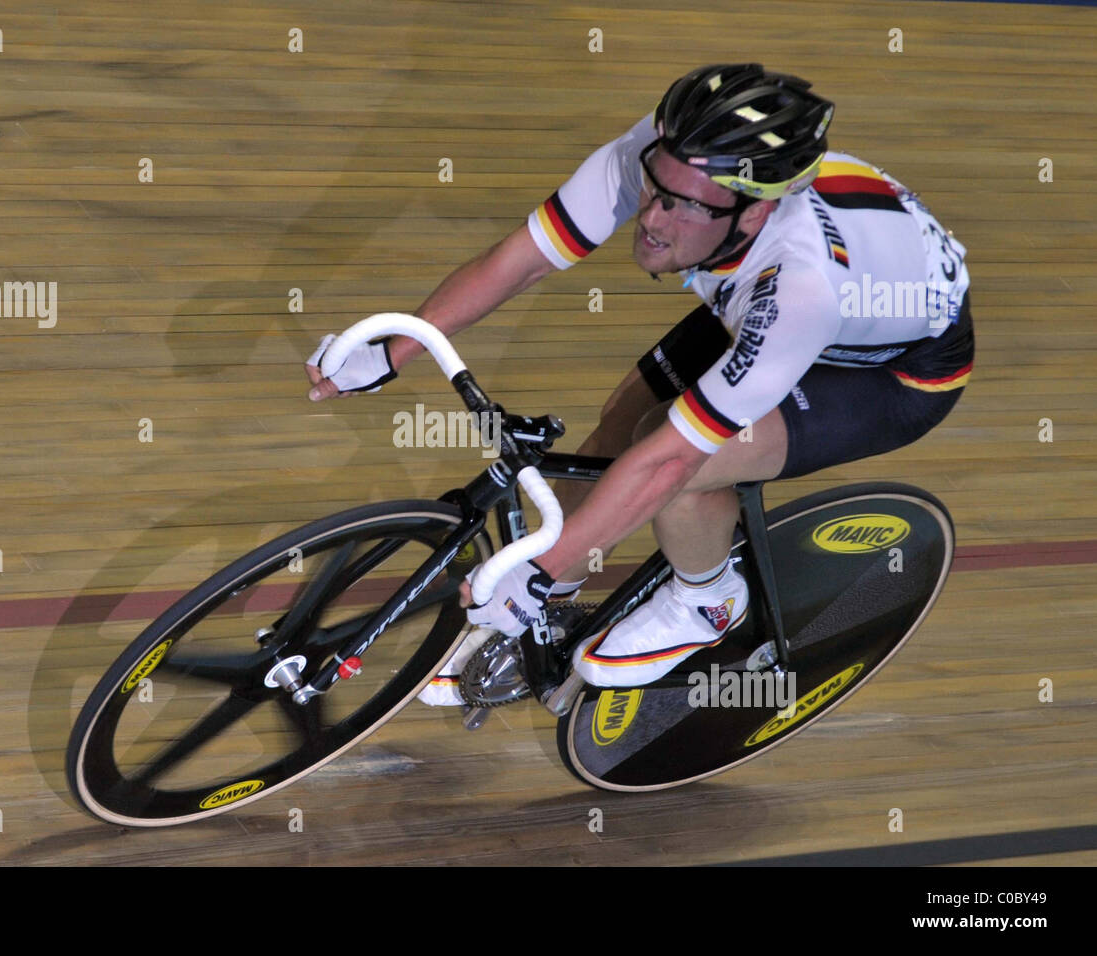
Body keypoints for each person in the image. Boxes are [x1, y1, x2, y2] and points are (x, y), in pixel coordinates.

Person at [304, 63, 972, 704]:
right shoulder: (667, 153)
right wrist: (394, 351)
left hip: (892, 370)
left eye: (684, 208)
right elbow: (518, 261)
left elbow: (672, 458)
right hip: (776, 294)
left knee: (672, 451)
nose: (653, 217)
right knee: (621, 419)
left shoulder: (798, 289)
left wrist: (536, 569)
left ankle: (706, 599)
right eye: (657, 188)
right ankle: (549, 613)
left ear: (754, 213)